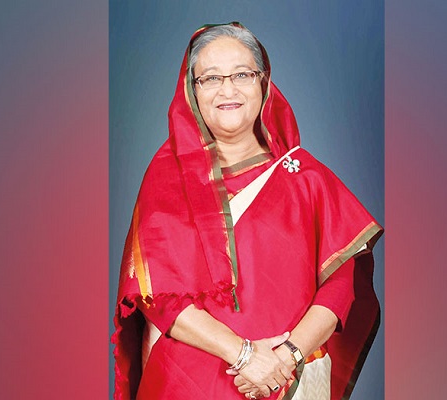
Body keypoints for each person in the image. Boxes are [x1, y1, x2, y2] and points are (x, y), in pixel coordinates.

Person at [112, 22, 383, 400]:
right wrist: (245, 355)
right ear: (192, 90)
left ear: (263, 82)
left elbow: (340, 285)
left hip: (287, 377)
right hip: (187, 384)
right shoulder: (167, 182)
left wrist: (286, 357)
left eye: (242, 74)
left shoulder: (306, 177)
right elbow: (156, 297)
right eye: (211, 78)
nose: (228, 89)